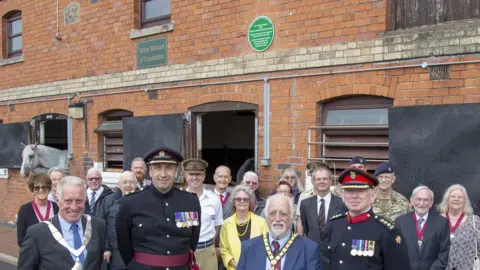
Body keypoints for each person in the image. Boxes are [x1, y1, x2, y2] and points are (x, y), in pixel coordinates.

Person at [115, 147, 201, 270]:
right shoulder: (131, 202)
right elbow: (123, 244)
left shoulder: (191, 201)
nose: (163, 174)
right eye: (157, 168)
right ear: (150, 172)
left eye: (169, 168)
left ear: (176, 171)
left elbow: (192, 241)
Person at [322, 168, 410, 270]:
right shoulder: (333, 225)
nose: (354, 196)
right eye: (349, 191)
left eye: (360, 191)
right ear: (342, 196)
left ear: (372, 196)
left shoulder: (386, 232)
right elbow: (325, 262)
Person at [18, 176, 107, 270]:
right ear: (57, 201)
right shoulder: (37, 233)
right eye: (68, 201)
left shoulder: (98, 225)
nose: (74, 207)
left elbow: (99, 264)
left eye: (79, 201)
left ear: (85, 200)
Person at [236, 193, 321, 270]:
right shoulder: (248, 247)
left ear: (292, 216)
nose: (277, 219)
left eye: (283, 214)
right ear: (266, 217)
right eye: (272, 213)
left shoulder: (309, 249)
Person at [395, 185, 450, 270]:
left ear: (431, 203)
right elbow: (396, 251)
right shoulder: (400, 222)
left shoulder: (442, 223)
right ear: (412, 201)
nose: (421, 203)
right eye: (418, 199)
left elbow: (444, 252)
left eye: (426, 200)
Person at [183, 158, 223, 270]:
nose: (195, 177)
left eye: (198, 174)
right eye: (191, 174)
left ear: (204, 176)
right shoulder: (179, 200)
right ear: (186, 176)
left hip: (207, 251)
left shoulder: (214, 200)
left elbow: (217, 226)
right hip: (185, 251)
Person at [220, 185, 268, 270]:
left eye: (245, 199)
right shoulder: (227, 224)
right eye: (238, 199)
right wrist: (238, 267)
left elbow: (267, 248)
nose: (242, 201)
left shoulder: (261, 222)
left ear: (250, 202)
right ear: (234, 202)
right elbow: (224, 250)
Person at [98, 171, 137, 270]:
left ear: (136, 184)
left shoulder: (143, 201)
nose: (128, 185)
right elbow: (101, 225)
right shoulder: (108, 201)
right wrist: (106, 248)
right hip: (115, 252)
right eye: (125, 182)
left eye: (131, 182)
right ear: (119, 185)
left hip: (138, 252)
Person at [437, 184, 480, 270]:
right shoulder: (436, 220)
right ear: (447, 200)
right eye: (453, 196)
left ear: (465, 201)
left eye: (460, 197)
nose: (456, 199)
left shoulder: (474, 221)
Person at [299, 166, 344, 244]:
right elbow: (306, 228)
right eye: (318, 179)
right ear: (313, 182)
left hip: (334, 251)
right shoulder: (305, 204)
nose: (322, 181)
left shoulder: (342, 203)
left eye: (325, 179)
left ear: (331, 181)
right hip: (312, 250)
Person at [17, 173, 59, 246]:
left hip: (54, 253)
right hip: (33, 254)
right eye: (37, 188)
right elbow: (21, 238)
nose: (41, 190)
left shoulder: (56, 207)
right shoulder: (25, 210)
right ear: (32, 190)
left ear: (49, 189)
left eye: (44, 187)